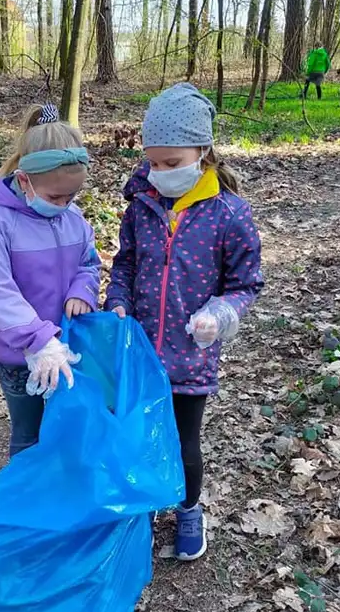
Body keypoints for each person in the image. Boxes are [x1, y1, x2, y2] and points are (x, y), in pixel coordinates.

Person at [105, 83, 263, 561]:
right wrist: (118, 301)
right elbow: (125, 264)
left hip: (192, 354)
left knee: (184, 440)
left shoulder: (230, 215)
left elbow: (245, 283)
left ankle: (189, 509)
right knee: (141, 433)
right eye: (153, 163)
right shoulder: (141, 207)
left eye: (172, 163)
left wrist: (221, 314)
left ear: (203, 152)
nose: (161, 173)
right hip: (141, 353)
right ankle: (149, 502)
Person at [0, 103, 100, 456]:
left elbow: (89, 263)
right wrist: (37, 339)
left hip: (69, 346)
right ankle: (27, 504)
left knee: (69, 427)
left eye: (73, 195)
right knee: (28, 435)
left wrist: (82, 290)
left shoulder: (73, 217)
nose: (65, 203)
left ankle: (63, 497)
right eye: (56, 196)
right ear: (24, 180)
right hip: (18, 354)